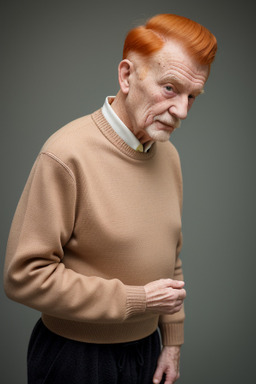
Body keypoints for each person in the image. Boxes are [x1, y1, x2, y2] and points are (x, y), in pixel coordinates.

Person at [4, 14, 217, 384]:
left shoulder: (169, 157)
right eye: (170, 88)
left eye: (191, 97)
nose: (182, 111)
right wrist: (136, 300)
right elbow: (23, 276)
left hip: (146, 352)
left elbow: (170, 258)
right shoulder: (65, 154)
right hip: (75, 357)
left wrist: (172, 341)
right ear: (126, 76)